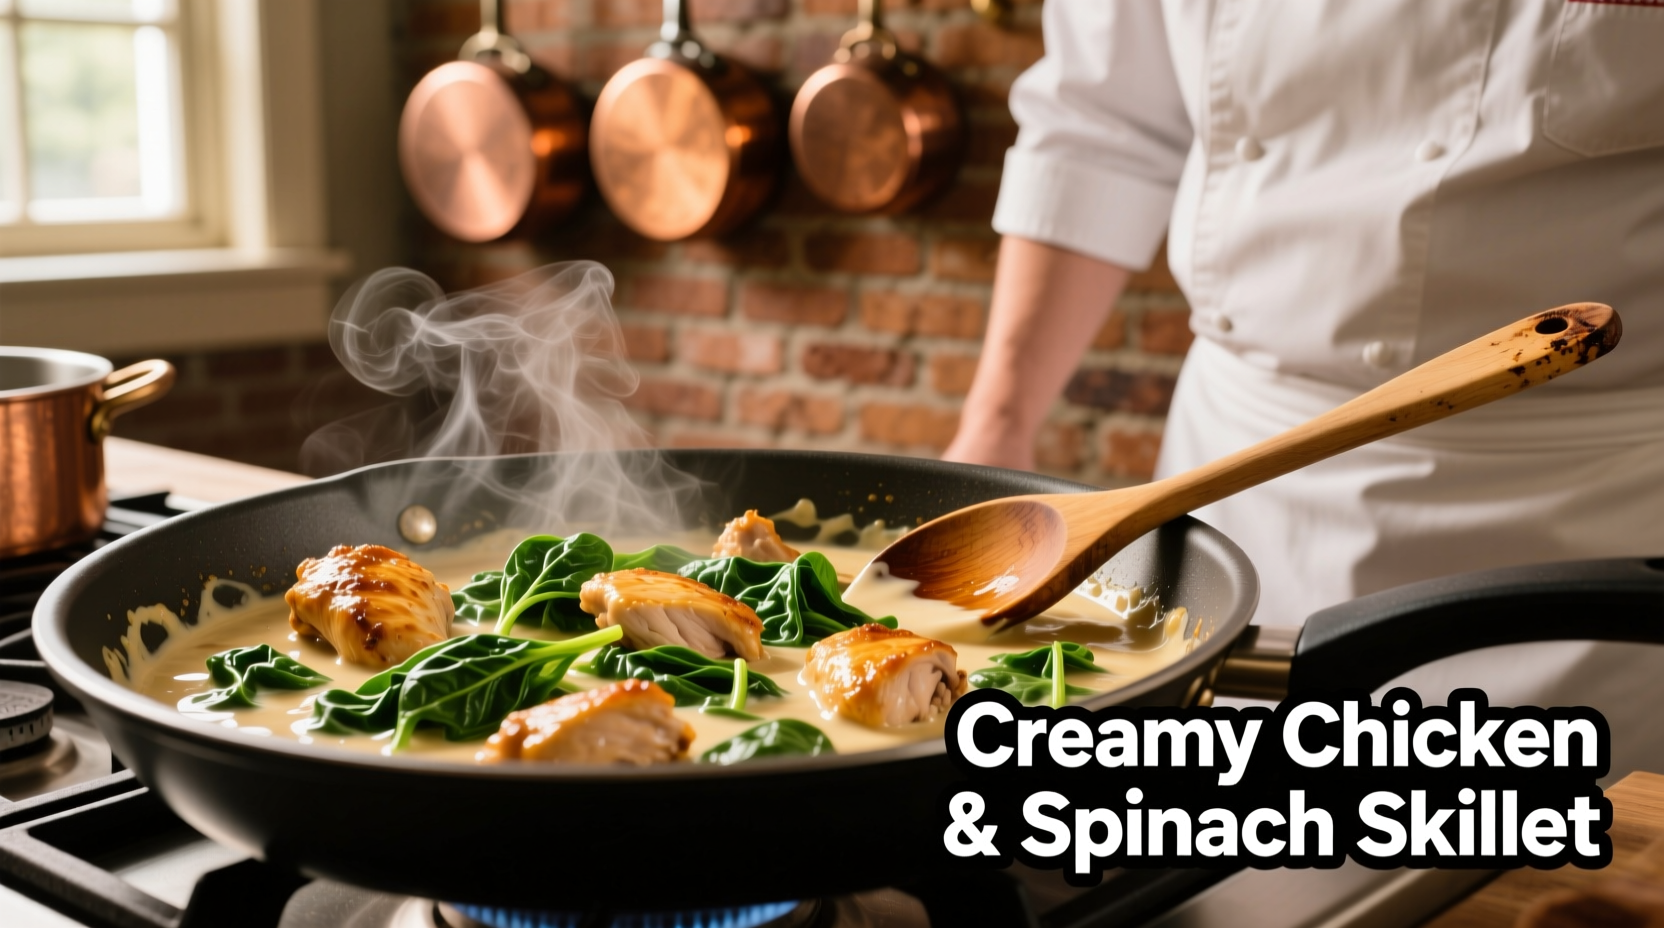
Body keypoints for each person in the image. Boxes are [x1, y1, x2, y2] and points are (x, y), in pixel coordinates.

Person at [944, 2, 1664, 774]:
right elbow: (1100, 127)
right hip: (1237, 481)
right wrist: (996, 426)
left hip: (1587, 509)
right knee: (1216, 847)